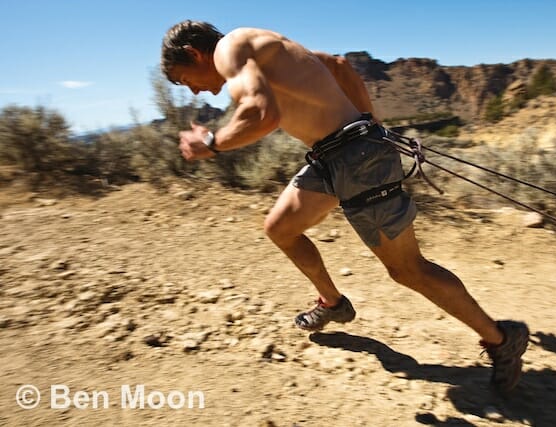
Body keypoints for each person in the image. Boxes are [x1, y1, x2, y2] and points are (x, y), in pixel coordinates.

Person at [161, 20, 529, 394]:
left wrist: (211, 142)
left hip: (356, 159)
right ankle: (333, 303)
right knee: (280, 228)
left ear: (194, 53)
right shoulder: (264, 45)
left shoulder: (229, 50)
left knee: (407, 269)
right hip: (333, 156)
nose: (193, 90)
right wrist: (371, 122)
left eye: (184, 78)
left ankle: (501, 339)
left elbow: (262, 114)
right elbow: (337, 64)